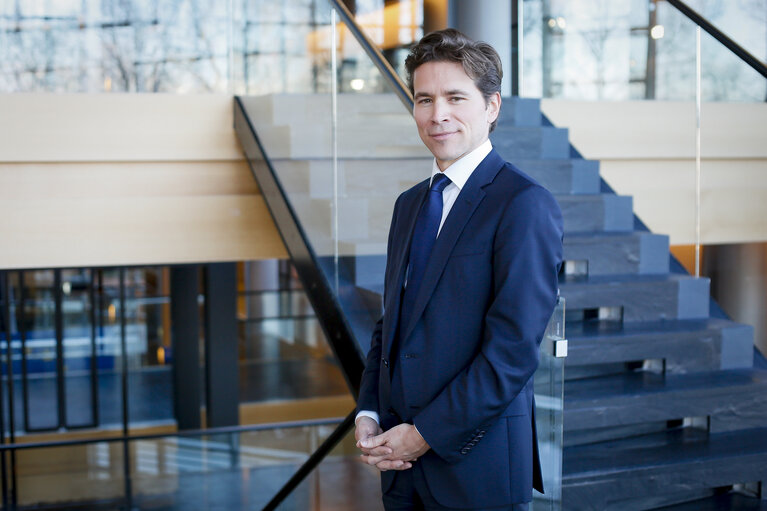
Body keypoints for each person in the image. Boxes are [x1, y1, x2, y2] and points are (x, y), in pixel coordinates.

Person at [354, 29, 564, 511]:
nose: (437, 114)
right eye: (424, 99)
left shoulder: (523, 204)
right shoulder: (410, 205)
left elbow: (512, 351)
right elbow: (393, 324)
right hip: (401, 469)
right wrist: (369, 411)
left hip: (476, 468)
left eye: (455, 97)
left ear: (491, 106)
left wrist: (425, 434)